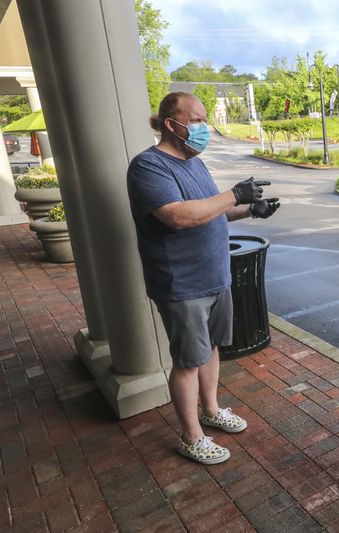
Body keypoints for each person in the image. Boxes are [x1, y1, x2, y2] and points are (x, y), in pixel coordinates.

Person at [127, 92, 280, 465]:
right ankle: (191, 436)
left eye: (203, 119)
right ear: (171, 124)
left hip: (215, 277)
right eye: (195, 120)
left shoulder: (195, 163)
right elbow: (178, 216)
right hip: (183, 284)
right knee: (187, 361)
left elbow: (211, 211)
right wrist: (233, 194)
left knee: (211, 348)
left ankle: (211, 411)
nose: (202, 127)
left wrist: (249, 209)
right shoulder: (149, 167)